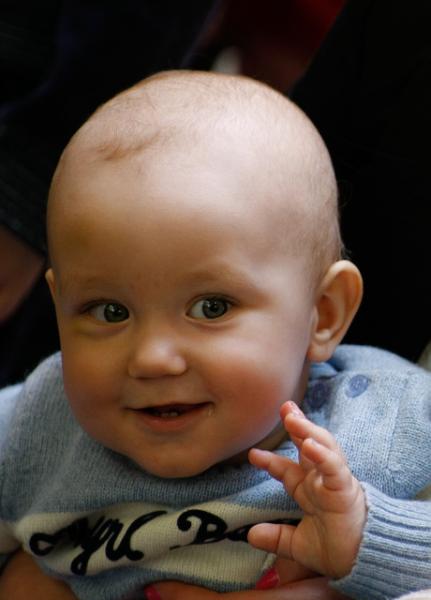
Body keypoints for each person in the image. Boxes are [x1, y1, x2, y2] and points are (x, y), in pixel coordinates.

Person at [0, 71, 430, 600]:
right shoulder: (38, 424)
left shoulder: (391, 424)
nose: (153, 358)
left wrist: (368, 535)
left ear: (322, 314)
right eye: (110, 311)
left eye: (211, 307)